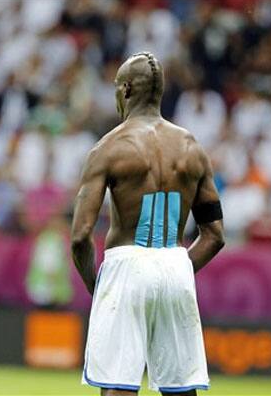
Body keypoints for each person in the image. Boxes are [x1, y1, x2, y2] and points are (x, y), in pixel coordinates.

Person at [71, 52, 225, 396]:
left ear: (126, 90)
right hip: (175, 263)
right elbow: (214, 235)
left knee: (118, 384)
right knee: (180, 388)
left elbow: (80, 235)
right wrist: (176, 268)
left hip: (126, 265)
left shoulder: (108, 148)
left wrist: (95, 285)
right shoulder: (191, 147)